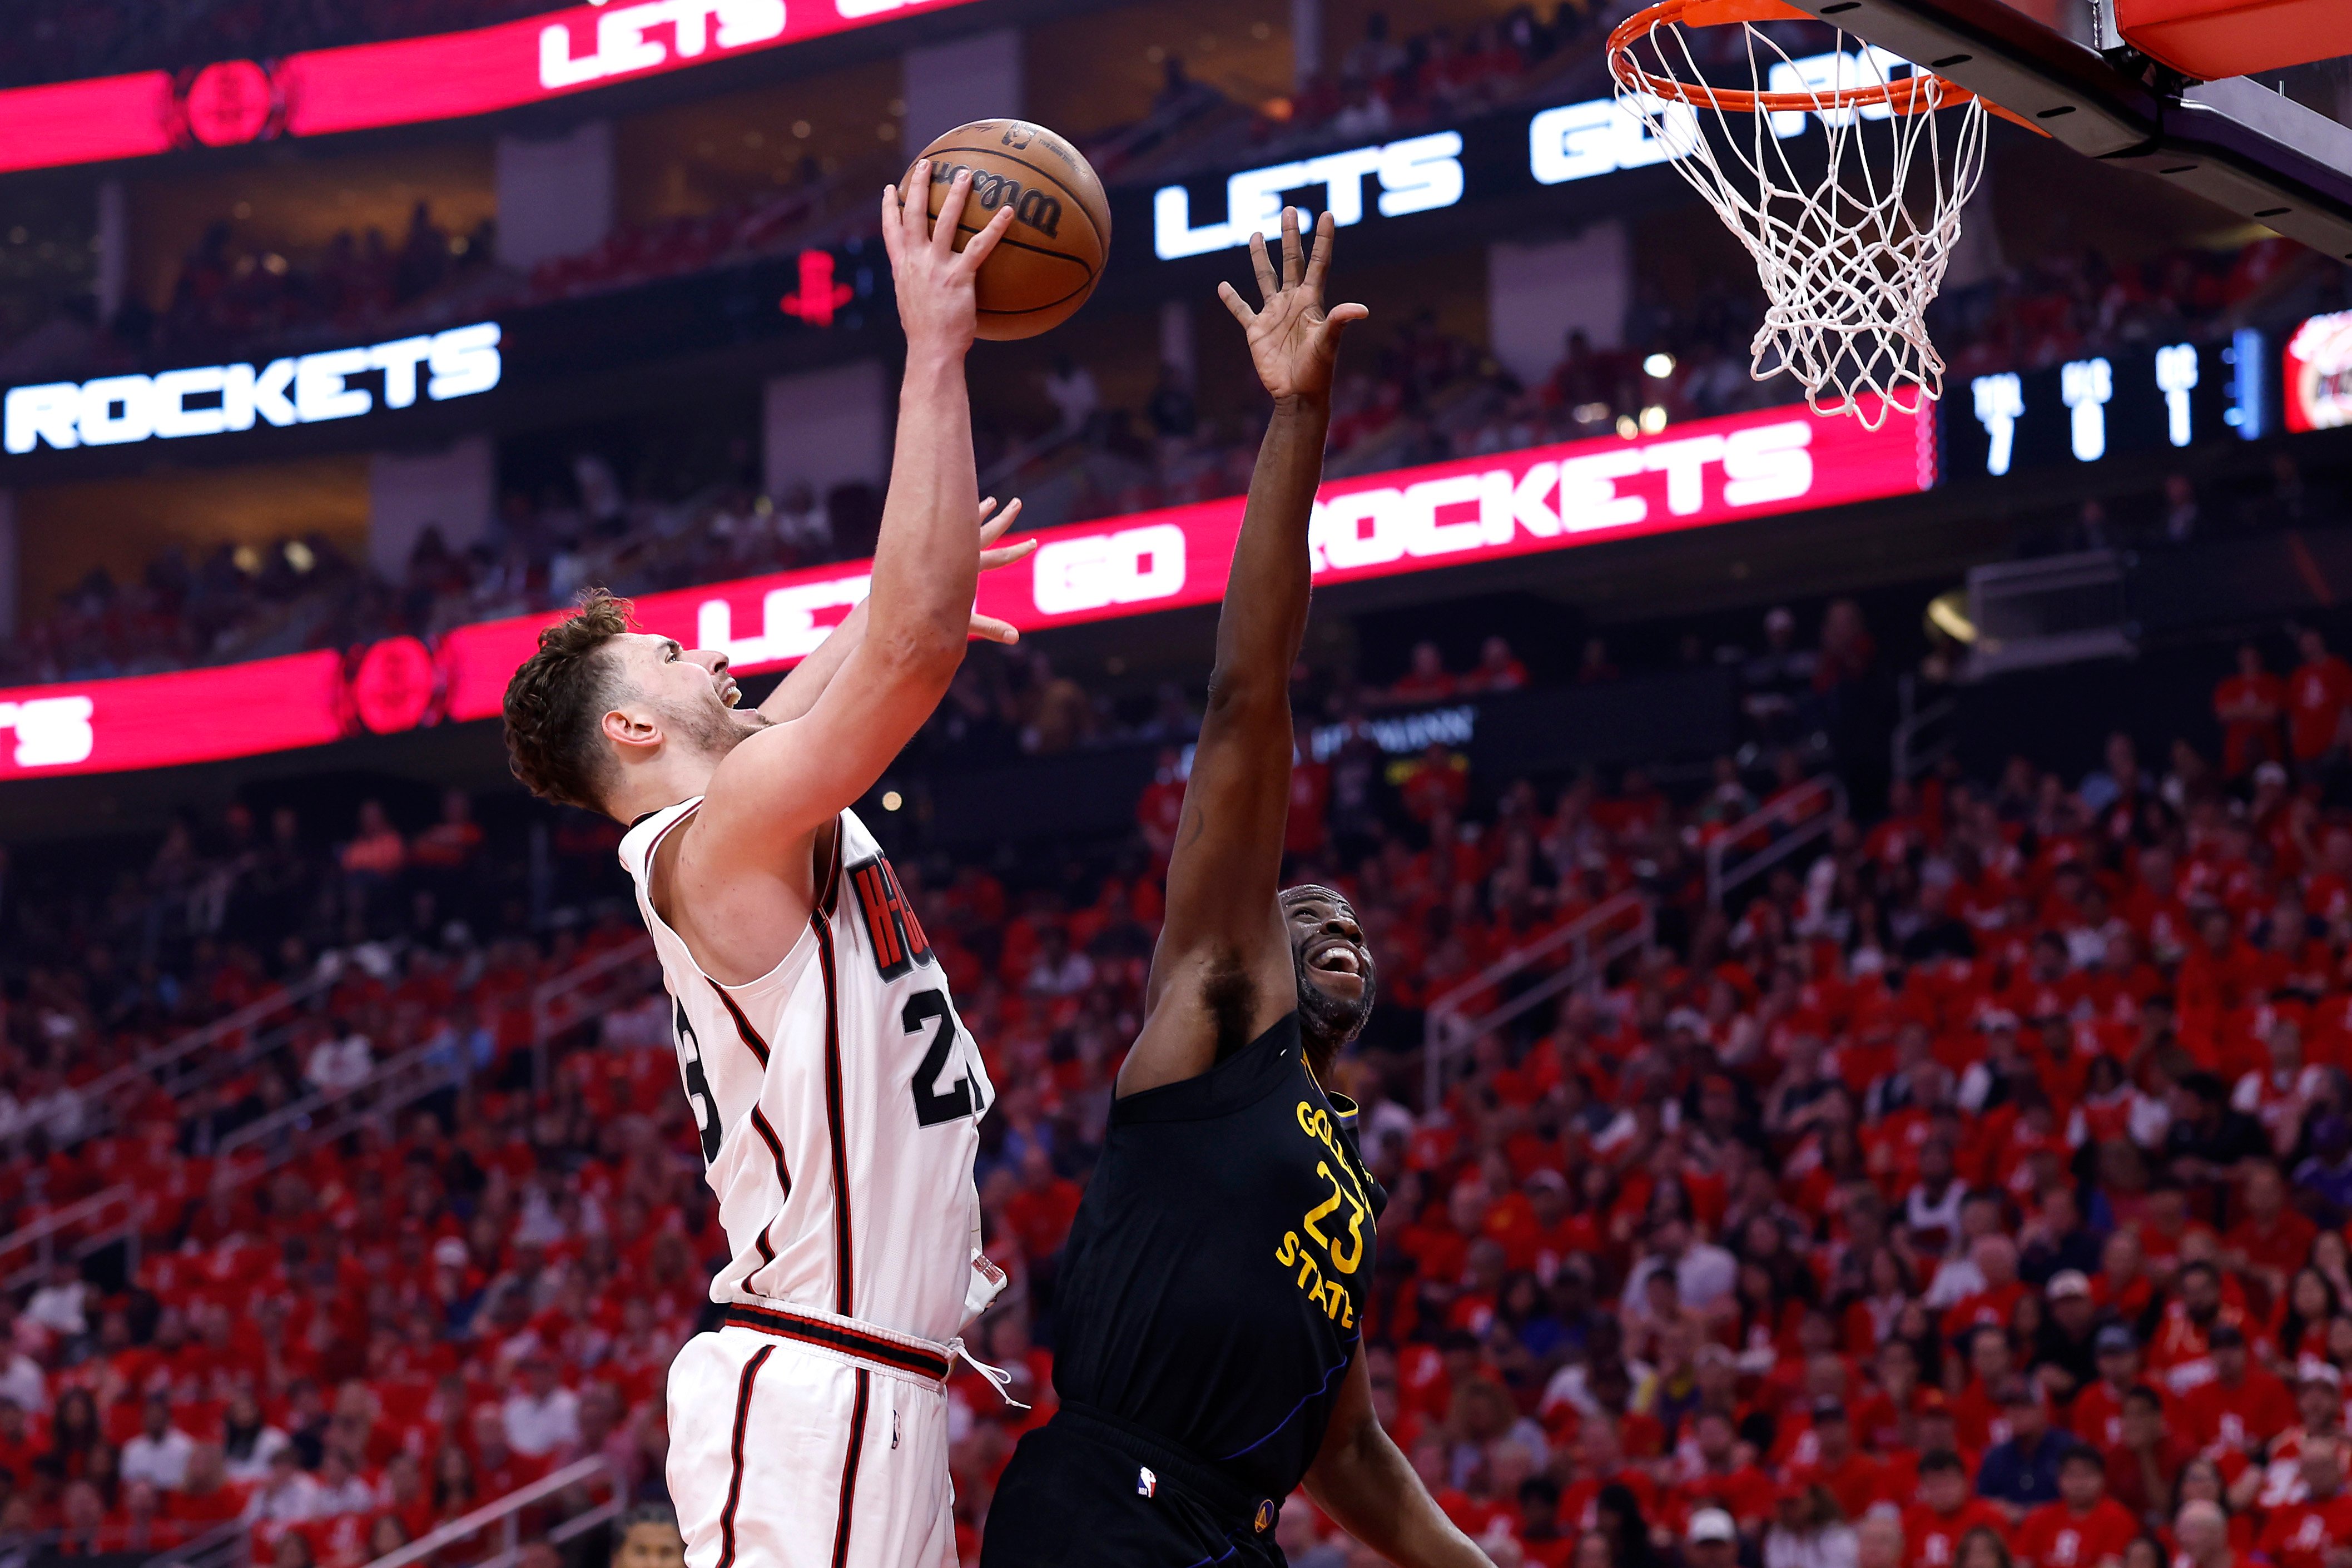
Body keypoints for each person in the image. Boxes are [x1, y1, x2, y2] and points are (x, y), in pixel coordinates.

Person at [499, 162, 1028, 1568]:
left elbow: (832, 678)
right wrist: (935, 350)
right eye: (675, 657)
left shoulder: (732, 817)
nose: (713, 657)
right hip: (822, 1386)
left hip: (868, 1384)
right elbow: (899, 655)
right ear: (629, 726)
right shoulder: (713, 839)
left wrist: (899, 606)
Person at [980, 209, 1486, 1567]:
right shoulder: (1218, 1001)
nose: (1333, 922)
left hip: (1230, 1535)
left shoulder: (1347, 1185)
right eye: (1302, 908)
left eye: (1354, 926)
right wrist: (1298, 423)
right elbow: (1247, 701)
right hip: (1111, 1508)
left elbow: (1353, 1453)